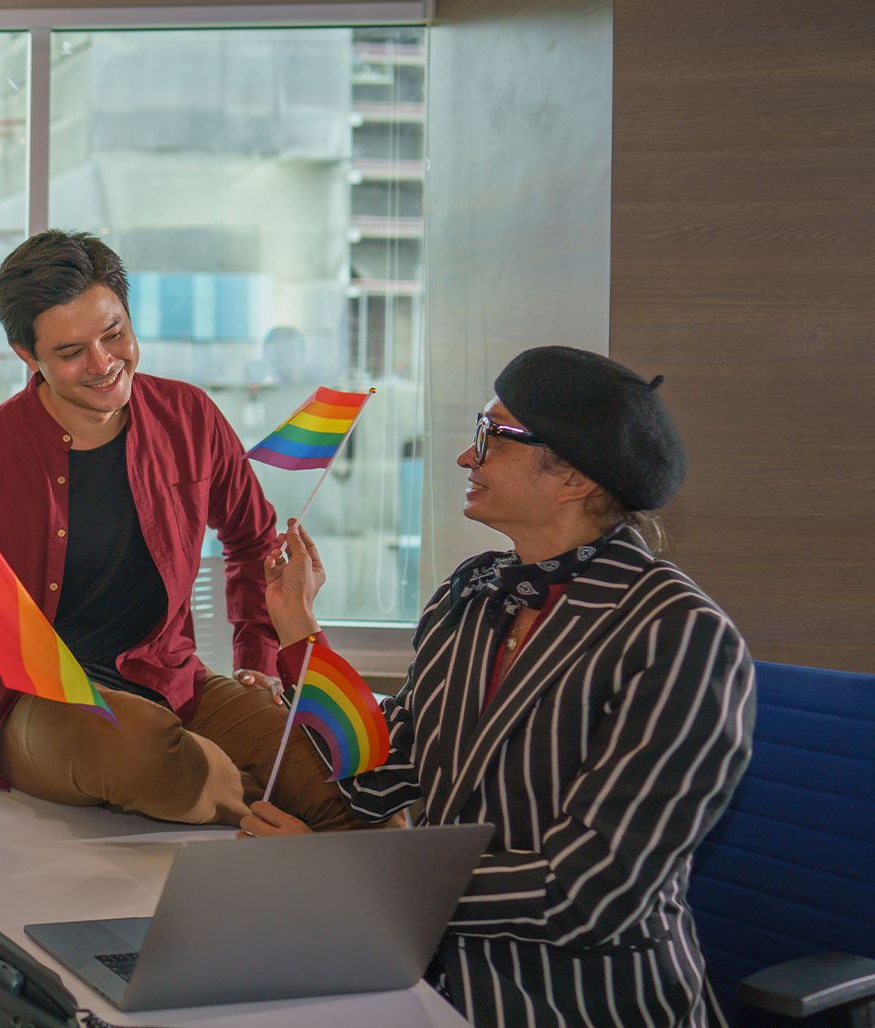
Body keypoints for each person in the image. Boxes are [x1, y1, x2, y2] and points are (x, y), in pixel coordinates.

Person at [239, 346, 755, 1028]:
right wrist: (298, 628)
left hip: (581, 1002)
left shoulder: (679, 634)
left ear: (572, 475)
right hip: (430, 978)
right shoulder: (473, 592)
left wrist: (340, 877)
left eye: (491, 436)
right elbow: (380, 775)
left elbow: (592, 891)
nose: (464, 457)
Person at [0, 229, 361, 830]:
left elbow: (252, 539)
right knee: (140, 749)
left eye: (114, 334)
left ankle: (304, 824)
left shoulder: (189, 416)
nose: (104, 365)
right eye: (71, 353)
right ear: (26, 354)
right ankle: (254, 801)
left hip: (169, 678)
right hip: (34, 700)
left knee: (333, 767)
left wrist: (259, 658)